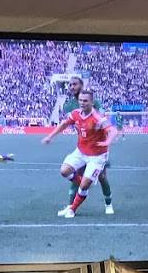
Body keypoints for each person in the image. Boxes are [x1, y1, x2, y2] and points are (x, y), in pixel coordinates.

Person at [41, 89, 118, 218]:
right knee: (64, 171)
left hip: (97, 156)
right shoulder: (75, 114)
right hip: (81, 152)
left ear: (92, 102)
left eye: (85, 101)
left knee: (93, 182)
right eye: (80, 100)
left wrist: (108, 141)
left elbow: (113, 131)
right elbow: (64, 124)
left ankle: (72, 209)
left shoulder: (98, 118)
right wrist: (50, 136)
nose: (82, 103)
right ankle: (83, 183)